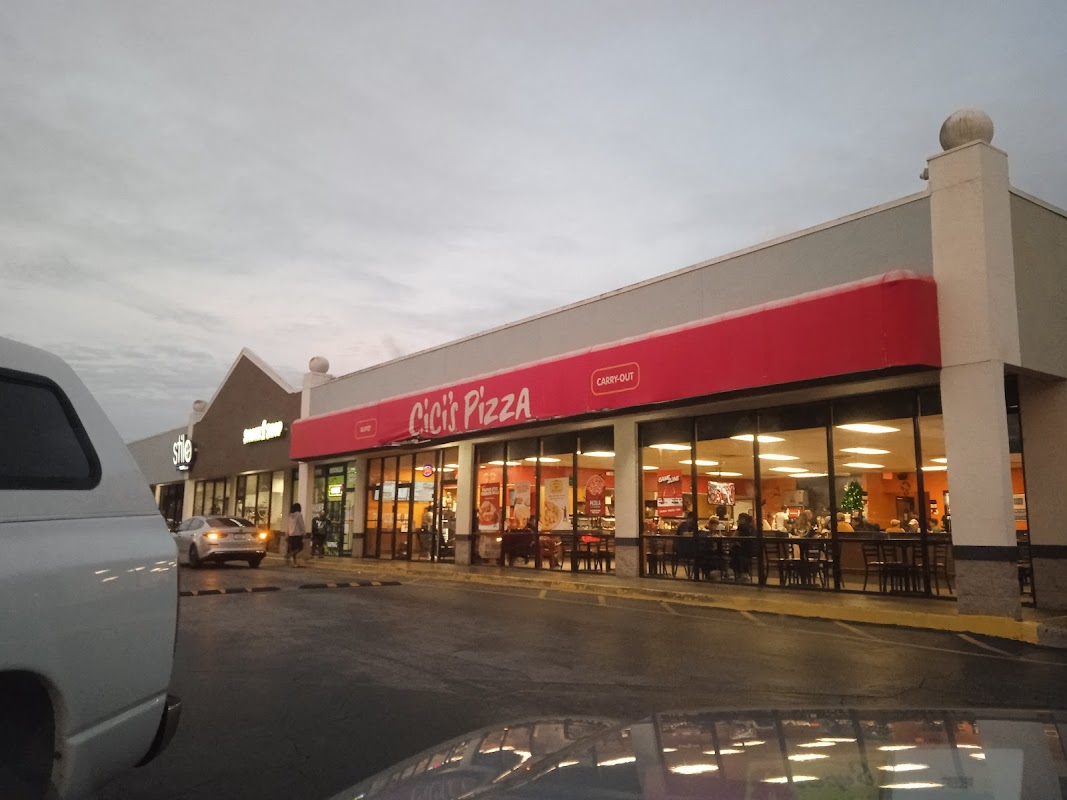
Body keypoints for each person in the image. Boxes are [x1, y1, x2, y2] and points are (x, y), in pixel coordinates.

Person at [730, 512, 756, 582]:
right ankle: (744, 573)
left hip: (744, 551)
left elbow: (733, 537)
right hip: (753, 551)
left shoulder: (742, 526)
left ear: (743, 519)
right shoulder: (752, 527)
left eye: (738, 519)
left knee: (733, 552)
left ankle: (739, 573)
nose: (737, 521)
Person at [287, 503, 307, 567]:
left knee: (293, 548)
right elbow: (301, 524)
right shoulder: (299, 515)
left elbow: (288, 525)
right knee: (300, 548)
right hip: (297, 534)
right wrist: (304, 532)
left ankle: (295, 563)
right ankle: (289, 555)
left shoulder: (290, 515)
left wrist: (288, 533)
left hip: (291, 534)